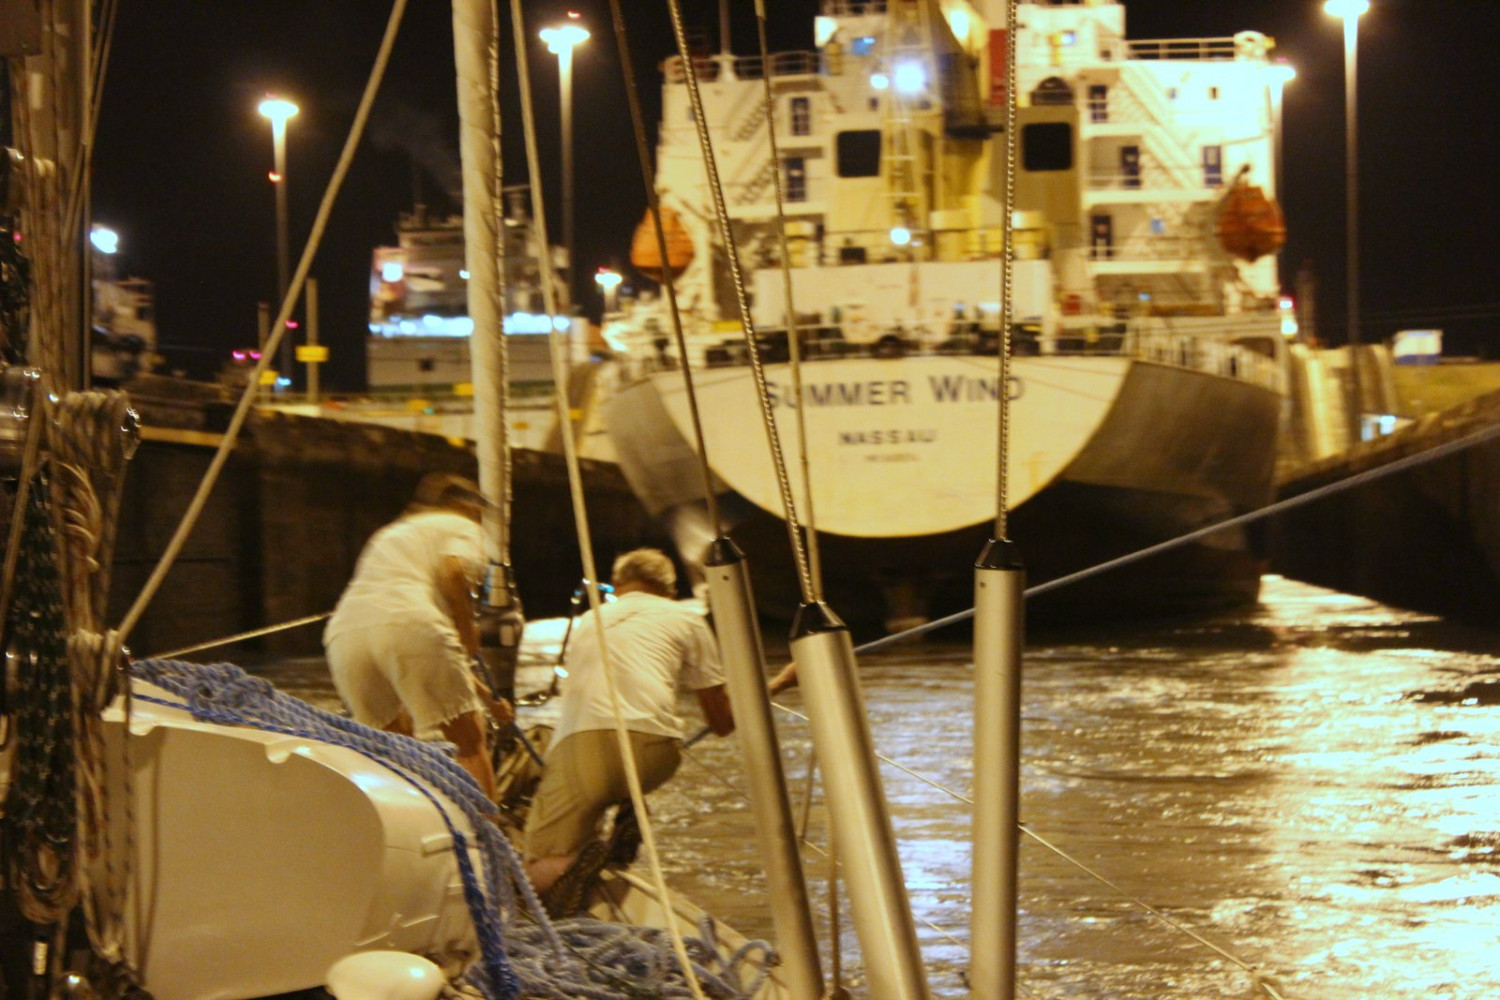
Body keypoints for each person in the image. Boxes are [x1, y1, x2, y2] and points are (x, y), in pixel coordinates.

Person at [523, 548, 733, 911]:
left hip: (582, 748)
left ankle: (576, 862)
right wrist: (772, 686)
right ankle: (622, 808)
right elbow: (722, 722)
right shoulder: (687, 618)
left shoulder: (592, 619)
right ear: (669, 589)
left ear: (617, 586)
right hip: (656, 754)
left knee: (535, 869)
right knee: (611, 781)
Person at [323, 472, 513, 799]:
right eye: (476, 510)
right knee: (468, 742)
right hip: (410, 625)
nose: (478, 517)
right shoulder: (461, 527)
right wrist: (468, 629)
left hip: (345, 633)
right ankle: (487, 840)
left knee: (391, 749)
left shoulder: (390, 534)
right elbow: (451, 573)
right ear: (461, 506)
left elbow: (422, 647)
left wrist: (488, 699)